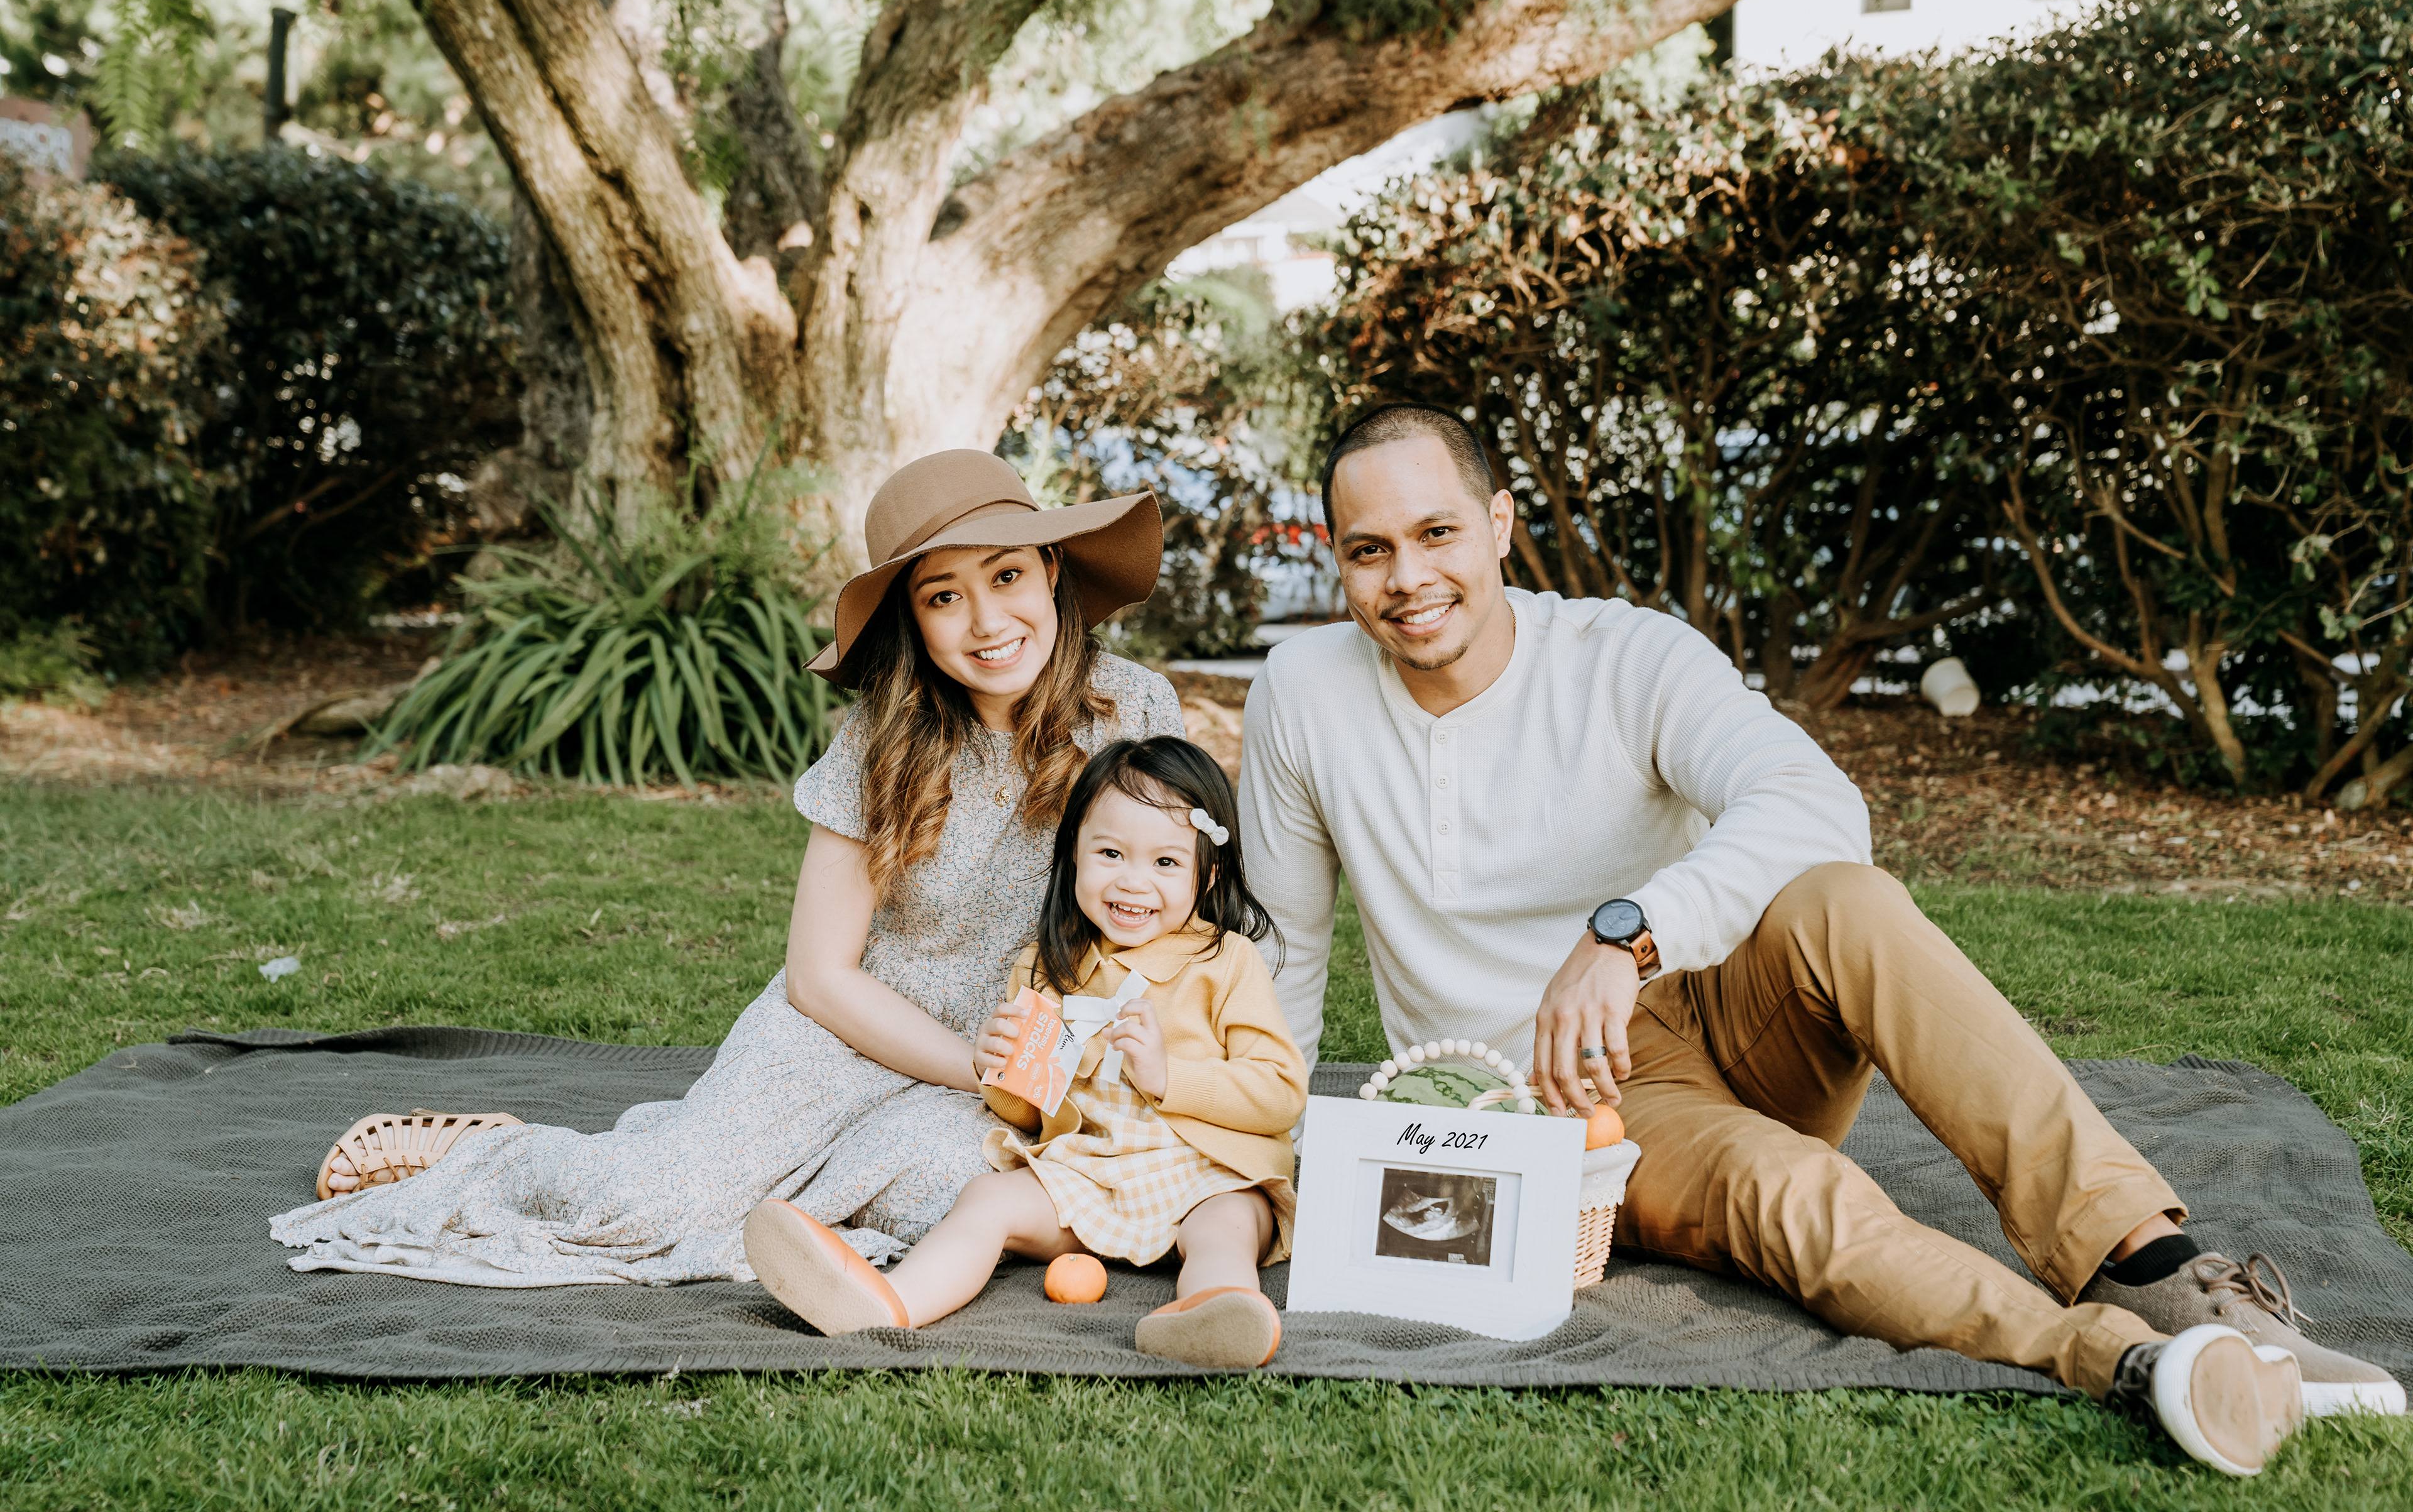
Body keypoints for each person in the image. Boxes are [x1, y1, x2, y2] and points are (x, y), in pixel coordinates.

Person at [1239, 403, 2404, 1477]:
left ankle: (2152, 1268)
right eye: (1369, 550)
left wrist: (1625, 936)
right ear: (1338, 558)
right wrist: (1254, 1174)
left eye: (1437, 532)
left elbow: (1814, 800)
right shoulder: (1303, 694)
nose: (1408, 578)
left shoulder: (1624, 654)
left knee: (1847, 897)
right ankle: (2123, 1357)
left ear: (1499, 524)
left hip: (1722, 1007)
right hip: (1560, 1106)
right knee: (1787, 1187)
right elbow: (1282, 956)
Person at [270, 451, 1186, 1285]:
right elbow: (820, 977)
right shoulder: (883, 738)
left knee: (942, 1202)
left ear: (1051, 568)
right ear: (911, 616)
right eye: (943, 595)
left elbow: (1174, 908)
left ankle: (702, 1154)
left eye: (1007, 575)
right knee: (642, 1207)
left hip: (1022, 1066)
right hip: (849, 1036)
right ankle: (502, 1157)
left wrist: (1064, 1067)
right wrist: (970, 1067)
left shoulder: (1133, 710)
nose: (987, 622)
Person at [743, 737, 1306, 1369]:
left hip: (1211, 1173)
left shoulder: (1225, 962)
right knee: (988, 1200)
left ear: (1208, 874)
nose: (1133, 880)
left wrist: (1170, 1075)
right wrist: (999, 1071)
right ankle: (888, 1300)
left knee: (1225, 1229)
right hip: (1092, 1175)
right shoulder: (1049, 966)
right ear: (1074, 853)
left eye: (1166, 862)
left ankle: (1211, 1314)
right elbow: (1029, 1113)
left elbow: (1281, 1092)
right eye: (1111, 853)